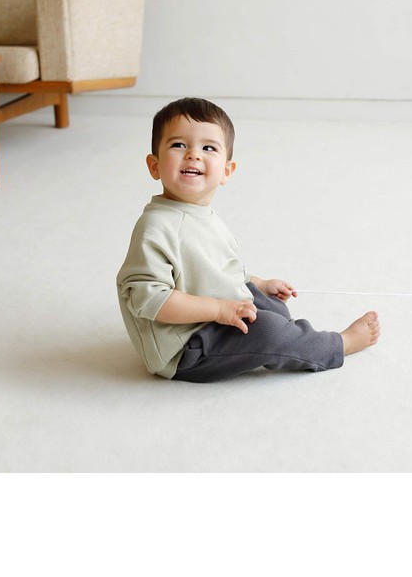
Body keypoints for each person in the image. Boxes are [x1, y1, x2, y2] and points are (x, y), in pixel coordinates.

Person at [117, 97, 380, 382]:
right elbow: (151, 300)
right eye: (179, 144)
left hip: (209, 318)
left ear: (226, 171)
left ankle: (289, 337)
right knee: (267, 330)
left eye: (208, 148)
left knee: (265, 302)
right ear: (154, 165)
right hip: (186, 349)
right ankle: (337, 344)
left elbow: (220, 270)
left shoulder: (203, 216)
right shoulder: (155, 227)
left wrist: (261, 283)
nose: (193, 155)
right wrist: (219, 310)